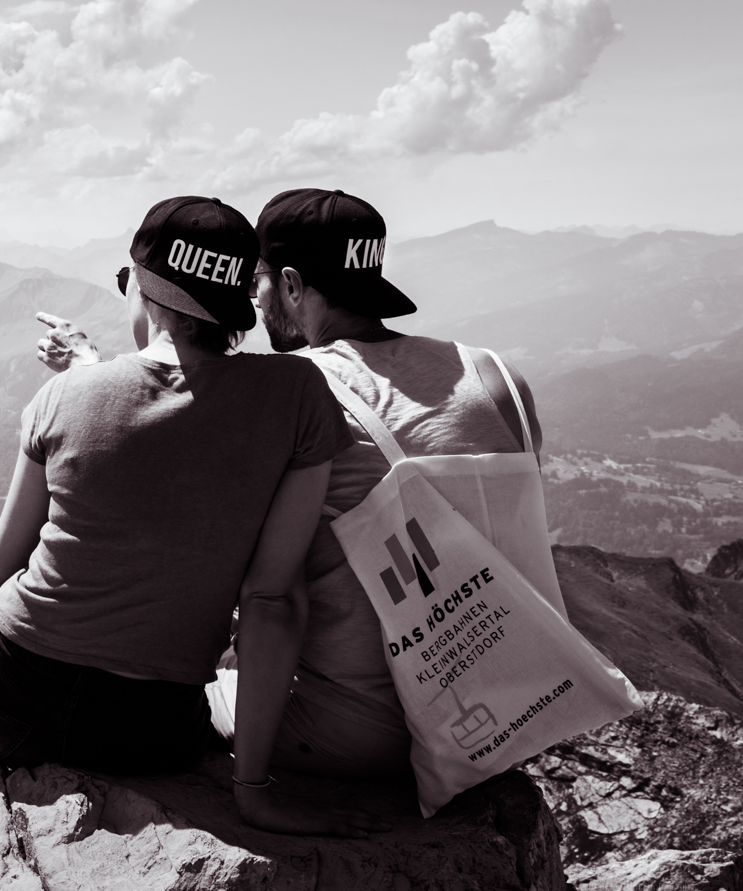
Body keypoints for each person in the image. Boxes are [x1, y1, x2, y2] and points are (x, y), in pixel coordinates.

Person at [0, 196, 385, 837]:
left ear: (148, 291)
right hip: (149, 735)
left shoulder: (64, 395)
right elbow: (272, 598)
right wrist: (253, 790)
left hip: (6, 700)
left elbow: (0, 559)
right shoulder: (297, 397)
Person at [36, 188, 544, 782]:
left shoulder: (292, 392)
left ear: (295, 286)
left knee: (139, 696)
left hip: (355, 733)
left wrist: (88, 375)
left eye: (258, 281)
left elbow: (149, 450)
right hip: (504, 711)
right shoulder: (497, 376)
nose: (252, 299)